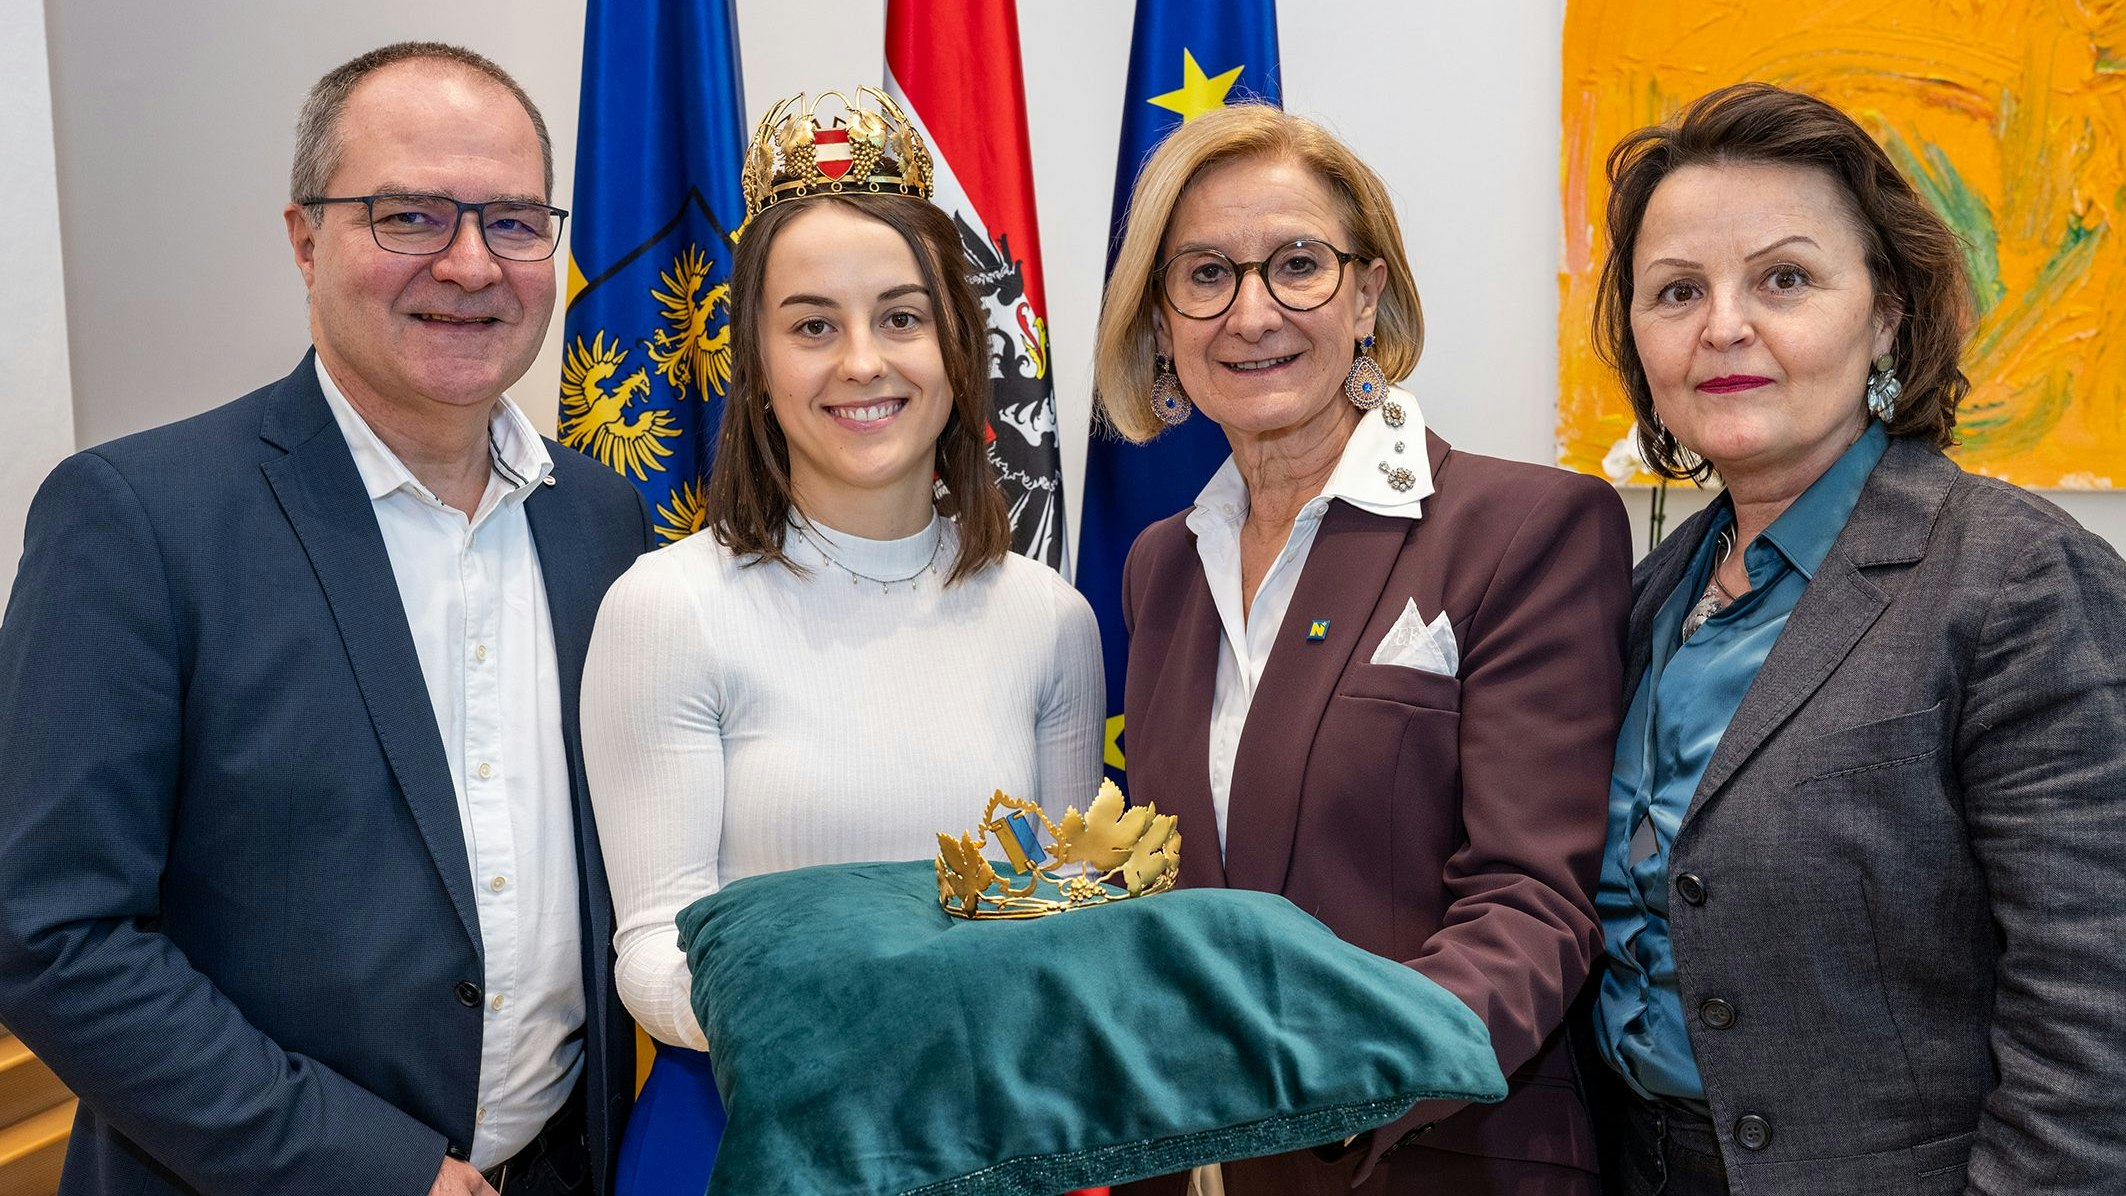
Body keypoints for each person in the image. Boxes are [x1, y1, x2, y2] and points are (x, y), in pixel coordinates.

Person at [0, 43, 650, 1196]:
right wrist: (379, 1170)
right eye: (407, 215)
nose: (468, 264)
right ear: (305, 239)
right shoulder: (138, 519)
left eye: (510, 219)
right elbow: (50, 932)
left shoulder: (602, 521)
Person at [1583, 82, 2126, 1195]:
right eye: (1674, 290)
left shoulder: (2013, 577)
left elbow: (2095, 1003)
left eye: (1782, 278)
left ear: (1883, 313)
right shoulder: (1642, 597)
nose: (1721, 325)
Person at [1098, 104, 1633, 1195]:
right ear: (1161, 320)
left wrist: (1336, 1075)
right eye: (1204, 274)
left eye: (1296, 264)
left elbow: (1533, 902)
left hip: (1427, 1162)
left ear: (1366, 293)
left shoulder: (1522, 528)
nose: (1251, 313)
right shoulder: (1161, 564)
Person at [578, 88, 1104, 1196]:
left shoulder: (1048, 619)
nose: (862, 361)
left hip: (991, 1139)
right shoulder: (666, 607)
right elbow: (655, 947)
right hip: (744, 1134)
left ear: (959, 348)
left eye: (902, 317)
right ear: (758, 368)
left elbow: (1064, 918)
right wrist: (871, 1026)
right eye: (812, 324)